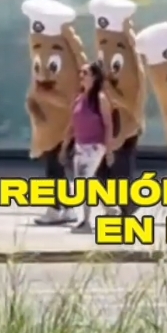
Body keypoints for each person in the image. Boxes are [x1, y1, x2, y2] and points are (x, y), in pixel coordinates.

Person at [59, 60, 114, 233]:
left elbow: (109, 125)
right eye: (80, 73)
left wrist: (109, 150)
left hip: (95, 146)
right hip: (80, 146)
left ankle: (86, 222)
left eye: (85, 73)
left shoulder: (101, 99)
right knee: (87, 181)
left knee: (82, 183)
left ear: (95, 77)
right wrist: (64, 146)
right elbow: (72, 125)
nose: (81, 77)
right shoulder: (79, 99)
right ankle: (109, 207)